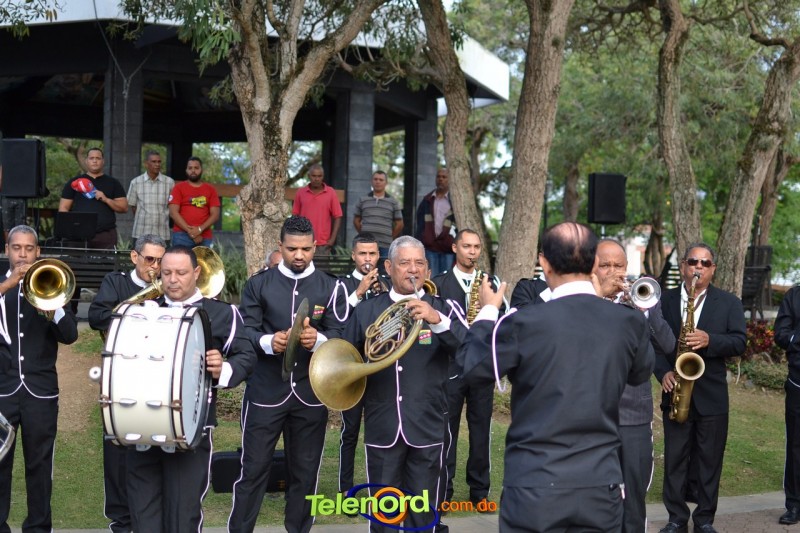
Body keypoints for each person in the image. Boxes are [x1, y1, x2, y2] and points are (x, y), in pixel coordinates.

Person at [456, 221, 654, 532]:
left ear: (544, 263)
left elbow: (472, 367)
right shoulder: (628, 322)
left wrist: (488, 312)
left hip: (535, 484)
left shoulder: (524, 322)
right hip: (599, 485)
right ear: (593, 263)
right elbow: (641, 371)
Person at [338, 235, 466, 532]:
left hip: (427, 425)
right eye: (405, 262)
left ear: (428, 269)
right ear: (388, 267)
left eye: (419, 263)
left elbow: (469, 349)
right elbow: (345, 359)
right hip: (383, 426)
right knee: (384, 518)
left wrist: (437, 320)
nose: (413, 269)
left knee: (423, 516)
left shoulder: (442, 308)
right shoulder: (368, 310)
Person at [125, 246, 255, 533]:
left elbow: (246, 356)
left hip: (193, 430)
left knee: (183, 519)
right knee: (143, 520)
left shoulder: (222, 313)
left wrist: (223, 369)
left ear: (196, 272)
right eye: (166, 273)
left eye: (181, 273)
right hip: (142, 426)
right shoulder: (142, 312)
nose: (173, 280)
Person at [229, 215, 346, 533]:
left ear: (315, 247)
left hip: (310, 394)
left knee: (305, 474)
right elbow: (245, 332)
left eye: (306, 249)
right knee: (253, 471)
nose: (299, 255)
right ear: (280, 246)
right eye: (292, 248)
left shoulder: (331, 287)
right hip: (265, 392)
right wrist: (269, 342)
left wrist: (318, 340)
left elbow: (340, 333)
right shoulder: (258, 284)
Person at [655, 243, 746, 533]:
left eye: (705, 263)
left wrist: (710, 340)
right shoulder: (663, 300)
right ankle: (676, 519)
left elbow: (739, 342)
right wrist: (662, 371)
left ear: (713, 269)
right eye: (693, 261)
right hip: (675, 390)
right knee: (675, 459)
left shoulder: (729, 302)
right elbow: (650, 342)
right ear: (683, 265)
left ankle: (704, 520)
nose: (698, 267)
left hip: (712, 396)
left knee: (710, 461)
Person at [591, 238, 676, 533]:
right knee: (593, 499)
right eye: (605, 265)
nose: (613, 271)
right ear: (592, 267)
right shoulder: (582, 301)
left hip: (633, 417)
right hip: (591, 416)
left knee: (634, 499)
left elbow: (668, 345)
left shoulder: (643, 298)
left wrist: (645, 311)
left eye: (619, 265)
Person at [0, 225, 79, 533]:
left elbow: (70, 335)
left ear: (38, 252)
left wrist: (53, 305)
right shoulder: (2, 285)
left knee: (40, 465)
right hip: (3, 391)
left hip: (41, 393)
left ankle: (38, 527)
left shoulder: (53, 282)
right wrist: (9, 284)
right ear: (7, 250)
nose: (23, 254)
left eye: (29, 248)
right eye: (17, 248)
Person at [87, 234, 167, 533]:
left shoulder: (167, 289)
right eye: (150, 259)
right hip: (121, 376)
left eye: (160, 261)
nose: (155, 267)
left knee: (155, 446)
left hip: (158, 377)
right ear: (135, 257)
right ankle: (121, 522)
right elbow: (96, 316)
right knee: (117, 449)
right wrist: (134, 311)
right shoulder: (116, 282)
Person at [432, 229, 502, 507]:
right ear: (454, 248)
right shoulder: (438, 284)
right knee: (446, 430)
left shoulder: (490, 283)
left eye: (476, 247)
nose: (472, 252)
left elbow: (501, 321)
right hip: (450, 366)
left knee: (481, 429)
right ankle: (444, 491)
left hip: (481, 366)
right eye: (466, 246)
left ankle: (479, 491)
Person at [335, 232, 391, 495]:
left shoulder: (387, 284)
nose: (367, 259)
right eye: (362, 254)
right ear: (353, 255)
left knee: (382, 433)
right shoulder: (343, 285)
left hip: (381, 370)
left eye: (372, 254)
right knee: (350, 432)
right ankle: (346, 490)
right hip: (353, 368)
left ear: (378, 256)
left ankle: (382, 489)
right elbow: (337, 321)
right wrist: (358, 292)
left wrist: (385, 295)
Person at [59, 147, 128, 249]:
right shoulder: (75, 182)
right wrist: (70, 229)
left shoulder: (113, 183)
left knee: (106, 259)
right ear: (86, 161)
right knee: (76, 259)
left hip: (105, 234)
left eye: (98, 158)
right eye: (91, 158)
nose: (95, 161)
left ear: (103, 161)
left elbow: (124, 208)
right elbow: (63, 208)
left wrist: (106, 199)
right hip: (78, 234)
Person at [775, 285, 800, 525]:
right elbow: (781, 335)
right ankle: (794, 504)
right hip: (798, 382)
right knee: (795, 445)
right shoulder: (794, 295)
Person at [168, 156, 220, 248]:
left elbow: (215, 215)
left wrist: (200, 229)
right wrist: (191, 232)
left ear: (201, 170)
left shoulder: (210, 190)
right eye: (190, 168)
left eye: (196, 168)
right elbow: (173, 213)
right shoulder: (178, 188)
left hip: (204, 236)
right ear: (186, 170)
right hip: (181, 235)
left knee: (203, 259)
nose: (193, 170)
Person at [291, 164, 343, 255]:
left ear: (323, 176)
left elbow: (338, 216)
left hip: (323, 244)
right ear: (309, 176)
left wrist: (332, 239)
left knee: (322, 265)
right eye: (314, 176)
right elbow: (295, 216)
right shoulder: (300, 193)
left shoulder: (331, 192)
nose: (317, 179)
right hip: (303, 241)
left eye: (319, 176)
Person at [127, 150, 175, 244]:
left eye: (159, 162)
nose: (157, 164)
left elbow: (172, 206)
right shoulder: (136, 182)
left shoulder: (169, 182)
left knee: (163, 254)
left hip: (162, 232)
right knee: (140, 254)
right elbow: (133, 206)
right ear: (146, 163)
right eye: (153, 162)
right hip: (141, 232)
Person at [353, 171, 404, 258]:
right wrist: (363, 234)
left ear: (386, 183)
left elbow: (400, 224)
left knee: (384, 266)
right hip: (366, 244)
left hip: (385, 245)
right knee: (366, 266)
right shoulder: (363, 200)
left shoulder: (393, 202)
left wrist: (390, 237)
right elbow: (356, 221)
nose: (378, 182)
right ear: (371, 181)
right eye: (375, 179)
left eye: (381, 180)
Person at [415, 168, 455, 276]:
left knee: (446, 279)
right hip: (430, 248)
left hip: (448, 248)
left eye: (444, 177)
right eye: (438, 177)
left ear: (449, 179)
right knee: (432, 279)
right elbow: (420, 224)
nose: (441, 179)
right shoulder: (427, 200)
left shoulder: (454, 201)